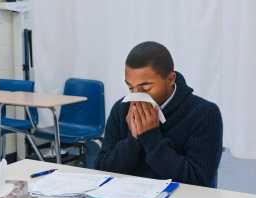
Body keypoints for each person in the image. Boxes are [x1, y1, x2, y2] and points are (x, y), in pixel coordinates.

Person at [95, 41, 223, 187]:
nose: (137, 95)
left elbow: (197, 181)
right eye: (131, 88)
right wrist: (133, 141)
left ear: (170, 79)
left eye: (146, 87)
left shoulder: (204, 114)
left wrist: (150, 137)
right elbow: (102, 170)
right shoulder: (121, 108)